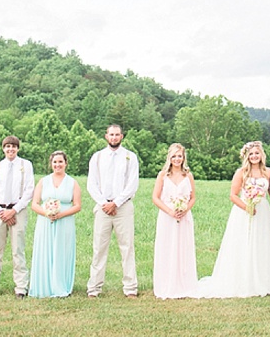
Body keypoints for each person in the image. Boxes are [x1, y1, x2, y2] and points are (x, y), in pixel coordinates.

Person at [193, 141, 270, 298]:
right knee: (243, 244)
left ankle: (261, 280)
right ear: (246, 156)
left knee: (261, 243)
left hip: (262, 211)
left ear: (262, 155)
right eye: (251, 154)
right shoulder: (241, 172)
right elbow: (233, 195)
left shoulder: (269, 172)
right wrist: (247, 207)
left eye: (257, 153)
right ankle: (242, 280)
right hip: (244, 211)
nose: (254, 156)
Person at [86, 124, 140, 298]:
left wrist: (116, 203)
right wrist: (104, 203)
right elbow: (91, 184)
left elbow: (132, 184)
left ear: (122, 136)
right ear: (106, 136)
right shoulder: (97, 157)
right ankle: (94, 288)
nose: (114, 137)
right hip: (103, 208)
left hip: (123, 207)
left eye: (117, 135)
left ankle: (130, 288)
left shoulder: (130, 157)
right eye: (111, 134)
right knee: (99, 248)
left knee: (127, 247)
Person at [0, 135, 34, 297]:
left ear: (18, 148)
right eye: (7, 146)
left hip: (18, 211)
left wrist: (14, 210)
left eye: (13, 146)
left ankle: (21, 288)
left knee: (18, 250)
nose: (10, 149)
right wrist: (1, 212)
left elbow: (29, 190)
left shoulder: (26, 165)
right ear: (3, 149)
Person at [29, 151, 82, 298]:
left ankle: (61, 285)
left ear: (66, 163)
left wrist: (61, 214)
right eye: (55, 162)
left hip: (65, 222)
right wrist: (47, 213)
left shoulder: (72, 183)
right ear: (51, 164)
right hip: (45, 222)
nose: (57, 165)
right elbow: (34, 204)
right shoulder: (43, 181)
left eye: (60, 162)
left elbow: (77, 205)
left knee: (62, 251)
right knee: (45, 250)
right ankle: (44, 286)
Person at [152, 143, 198, 299]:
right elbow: (155, 198)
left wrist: (185, 209)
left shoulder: (188, 175)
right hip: (167, 217)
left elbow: (193, 197)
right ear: (169, 158)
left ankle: (184, 283)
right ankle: (166, 283)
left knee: (183, 248)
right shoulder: (163, 175)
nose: (177, 159)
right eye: (174, 156)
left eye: (180, 156)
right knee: (167, 248)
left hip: (184, 217)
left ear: (183, 157)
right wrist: (170, 211)